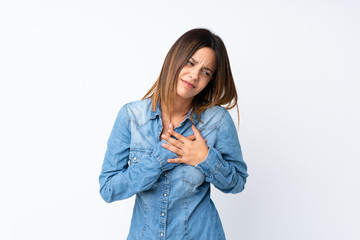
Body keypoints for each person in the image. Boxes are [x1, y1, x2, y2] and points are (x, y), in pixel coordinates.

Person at [99, 28, 249, 240]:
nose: (194, 75)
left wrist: (205, 159)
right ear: (174, 58)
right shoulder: (131, 117)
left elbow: (237, 183)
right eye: (190, 62)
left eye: (206, 72)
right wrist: (158, 160)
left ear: (210, 80)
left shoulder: (217, 121)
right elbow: (109, 189)